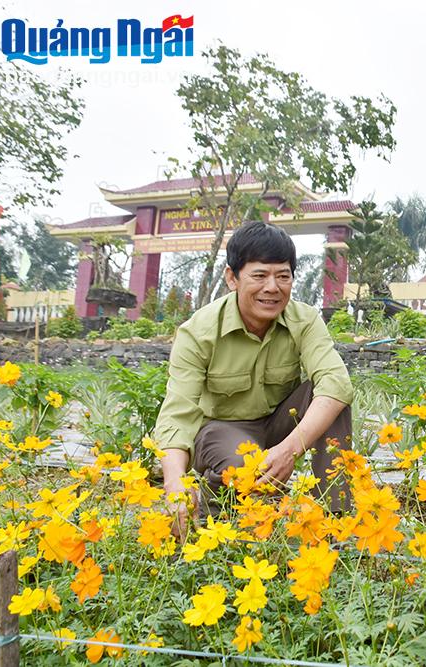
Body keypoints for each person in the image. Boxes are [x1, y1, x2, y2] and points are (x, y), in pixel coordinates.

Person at [152, 221, 354, 532]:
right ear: (232, 278)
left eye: (283, 276)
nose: (272, 287)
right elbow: (177, 416)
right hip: (222, 431)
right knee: (244, 470)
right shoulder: (198, 332)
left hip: (279, 426)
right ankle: (217, 503)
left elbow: (336, 384)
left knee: (330, 395)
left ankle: (334, 520)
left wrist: (289, 450)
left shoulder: (304, 320)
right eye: (259, 275)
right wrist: (175, 484)